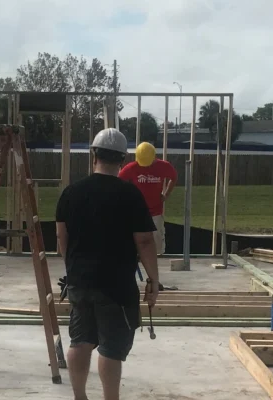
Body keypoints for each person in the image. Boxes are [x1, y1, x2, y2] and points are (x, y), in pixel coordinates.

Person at [56, 128, 161, 400]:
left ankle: (79, 397)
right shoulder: (130, 194)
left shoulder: (71, 192)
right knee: (111, 349)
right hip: (116, 287)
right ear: (123, 160)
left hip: (80, 282)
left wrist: (73, 270)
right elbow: (145, 242)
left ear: (94, 155)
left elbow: (61, 238)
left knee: (80, 341)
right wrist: (153, 280)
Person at [118, 141, 177, 255]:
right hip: (137, 211)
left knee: (157, 240)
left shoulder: (163, 166)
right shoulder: (132, 168)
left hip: (155, 211)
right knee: (136, 240)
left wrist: (166, 194)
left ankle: (157, 260)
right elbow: (118, 182)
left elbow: (173, 177)